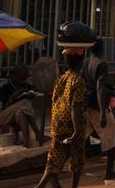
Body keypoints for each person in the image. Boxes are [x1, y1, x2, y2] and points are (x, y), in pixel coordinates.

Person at [35, 48, 87, 188]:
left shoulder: (60, 79)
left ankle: (40, 185)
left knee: (54, 159)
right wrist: (77, 130)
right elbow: (75, 107)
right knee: (77, 159)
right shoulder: (78, 81)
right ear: (81, 62)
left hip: (57, 123)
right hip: (72, 125)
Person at [83, 40, 115, 182]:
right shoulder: (101, 64)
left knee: (80, 136)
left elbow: (85, 83)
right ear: (102, 49)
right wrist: (103, 113)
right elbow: (99, 88)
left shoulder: (87, 62)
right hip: (98, 105)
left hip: (87, 103)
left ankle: (67, 164)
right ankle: (109, 171)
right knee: (111, 137)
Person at [0, 64, 41, 147]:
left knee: (21, 113)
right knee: (25, 103)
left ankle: (26, 145)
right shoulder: (3, 86)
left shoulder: (28, 83)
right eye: (23, 77)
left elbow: (32, 95)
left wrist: (31, 95)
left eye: (26, 77)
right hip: (4, 115)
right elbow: (1, 108)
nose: (25, 80)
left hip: (20, 113)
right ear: (15, 75)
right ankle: (37, 132)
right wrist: (12, 98)